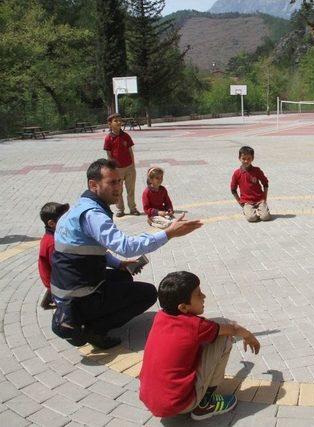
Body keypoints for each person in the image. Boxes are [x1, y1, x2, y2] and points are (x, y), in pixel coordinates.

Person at [50, 159, 202, 349]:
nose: (119, 187)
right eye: (112, 182)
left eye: (120, 181)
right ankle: (92, 329)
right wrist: (169, 233)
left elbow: (85, 248)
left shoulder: (79, 207)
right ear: (93, 185)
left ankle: (79, 314)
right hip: (79, 294)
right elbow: (126, 246)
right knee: (148, 293)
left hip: (66, 287)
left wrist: (117, 264)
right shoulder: (93, 215)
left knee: (123, 275)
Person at [139, 271, 260, 421]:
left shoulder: (160, 316)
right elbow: (233, 329)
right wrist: (248, 335)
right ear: (183, 307)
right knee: (224, 338)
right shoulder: (195, 326)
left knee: (212, 334)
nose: (204, 296)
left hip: (150, 398)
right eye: (198, 294)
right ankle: (205, 404)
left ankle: (196, 395)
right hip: (180, 404)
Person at [103, 113, 140, 217]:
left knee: (131, 190)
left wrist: (132, 166)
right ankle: (120, 209)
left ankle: (133, 208)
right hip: (117, 169)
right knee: (118, 190)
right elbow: (109, 155)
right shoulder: (108, 138)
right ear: (110, 124)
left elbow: (130, 151)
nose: (119, 122)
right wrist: (112, 169)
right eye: (116, 121)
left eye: (120, 120)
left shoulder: (126, 136)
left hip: (129, 167)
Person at [38, 202, 69, 310]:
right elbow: (59, 268)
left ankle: (49, 298)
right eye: (64, 218)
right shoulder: (53, 243)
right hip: (54, 281)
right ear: (52, 223)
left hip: (50, 277)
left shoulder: (51, 236)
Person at [230, 146, 272, 223]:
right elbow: (233, 190)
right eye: (243, 158)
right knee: (251, 218)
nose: (246, 161)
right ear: (239, 158)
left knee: (266, 217)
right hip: (246, 201)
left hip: (259, 199)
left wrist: (264, 199)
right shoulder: (237, 173)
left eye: (249, 158)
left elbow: (265, 183)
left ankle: (262, 209)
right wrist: (241, 203)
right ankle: (247, 211)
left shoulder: (257, 170)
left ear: (252, 158)